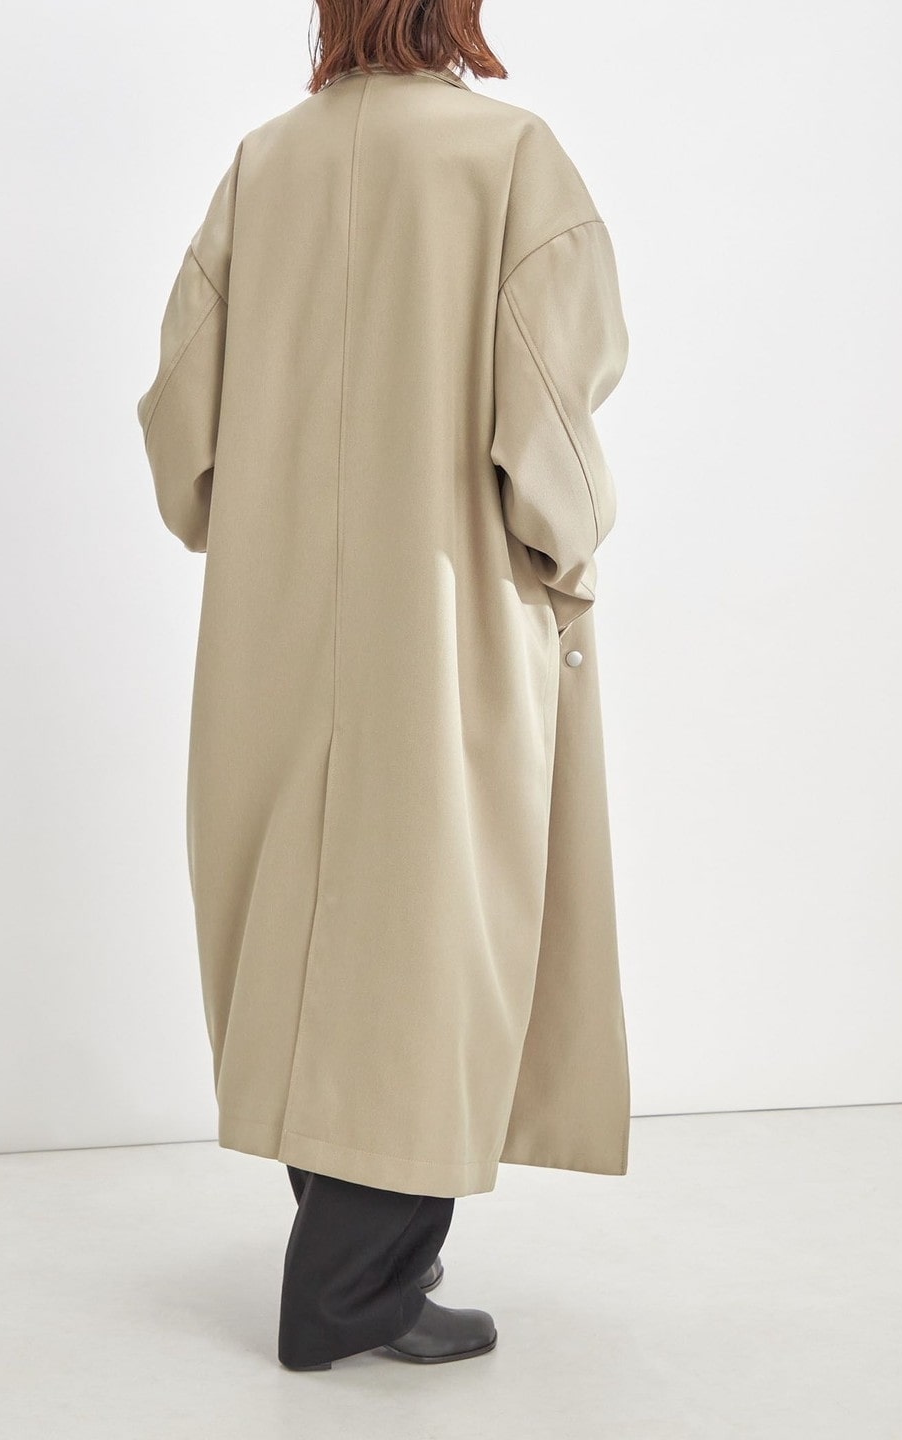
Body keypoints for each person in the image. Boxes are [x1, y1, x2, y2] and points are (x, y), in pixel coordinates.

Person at [135, 0, 631, 1372]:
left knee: (306, 933)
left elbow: (182, 434)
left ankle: (360, 1254)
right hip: (440, 611)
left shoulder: (264, 165)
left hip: (276, 624)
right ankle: (350, 1292)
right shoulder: (511, 158)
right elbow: (552, 424)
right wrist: (569, 547)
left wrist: (257, 511)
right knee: (431, 939)